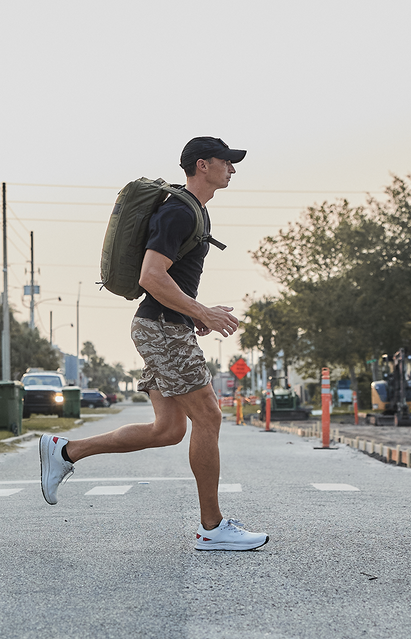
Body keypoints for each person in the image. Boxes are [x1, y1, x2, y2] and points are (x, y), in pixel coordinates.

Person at [39, 136, 268, 551]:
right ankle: (212, 529)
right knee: (209, 418)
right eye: (226, 162)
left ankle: (66, 451)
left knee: (167, 430)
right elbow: (150, 276)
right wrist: (201, 312)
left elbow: (170, 280)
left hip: (164, 323)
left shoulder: (194, 211)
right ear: (202, 165)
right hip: (161, 327)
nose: (232, 169)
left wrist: (191, 313)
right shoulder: (179, 211)